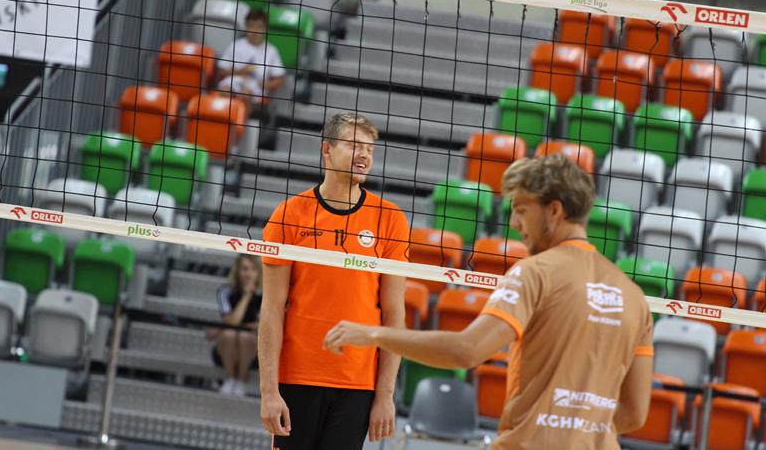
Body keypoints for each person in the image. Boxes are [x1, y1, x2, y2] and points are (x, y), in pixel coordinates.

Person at [325, 154, 654, 450]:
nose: (514, 223)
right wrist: (579, 430)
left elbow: (466, 350)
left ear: (554, 210)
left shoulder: (536, 272)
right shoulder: (633, 296)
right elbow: (635, 414)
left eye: (521, 210)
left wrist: (375, 334)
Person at [258, 112, 410, 450]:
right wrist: (269, 390)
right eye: (354, 145)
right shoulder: (289, 215)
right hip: (297, 377)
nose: (364, 154)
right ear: (326, 150)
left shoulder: (390, 219)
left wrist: (385, 395)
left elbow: (394, 314)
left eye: (369, 148)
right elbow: (271, 309)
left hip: (357, 384)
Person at [206, 255, 262, 396]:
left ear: (259, 272)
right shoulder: (225, 291)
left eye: (253, 269)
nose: (249, 273)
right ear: (237, 271)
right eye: (244, 269)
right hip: (226, 349)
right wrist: (247, 296)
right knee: (230, 334)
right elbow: (233, 322)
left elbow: (263, 324)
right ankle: (231, 378)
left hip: (252, 351)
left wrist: (222, 326)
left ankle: (241, 379)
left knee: (243, 336)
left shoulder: (264, 294)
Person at [216, 8, 285, 114]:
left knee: (245, 93)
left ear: (265, 29)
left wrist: (267, 85)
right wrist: (241, 71)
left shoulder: (271, 50)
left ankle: (240, 123)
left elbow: (280, 78)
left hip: (256, 86)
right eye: (251, 26)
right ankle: (223, 121)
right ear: (246, 27)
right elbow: (221, 71)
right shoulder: (236, 45)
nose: (255, 31)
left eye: (259, 27)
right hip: (233, 81)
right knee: (225, 90)